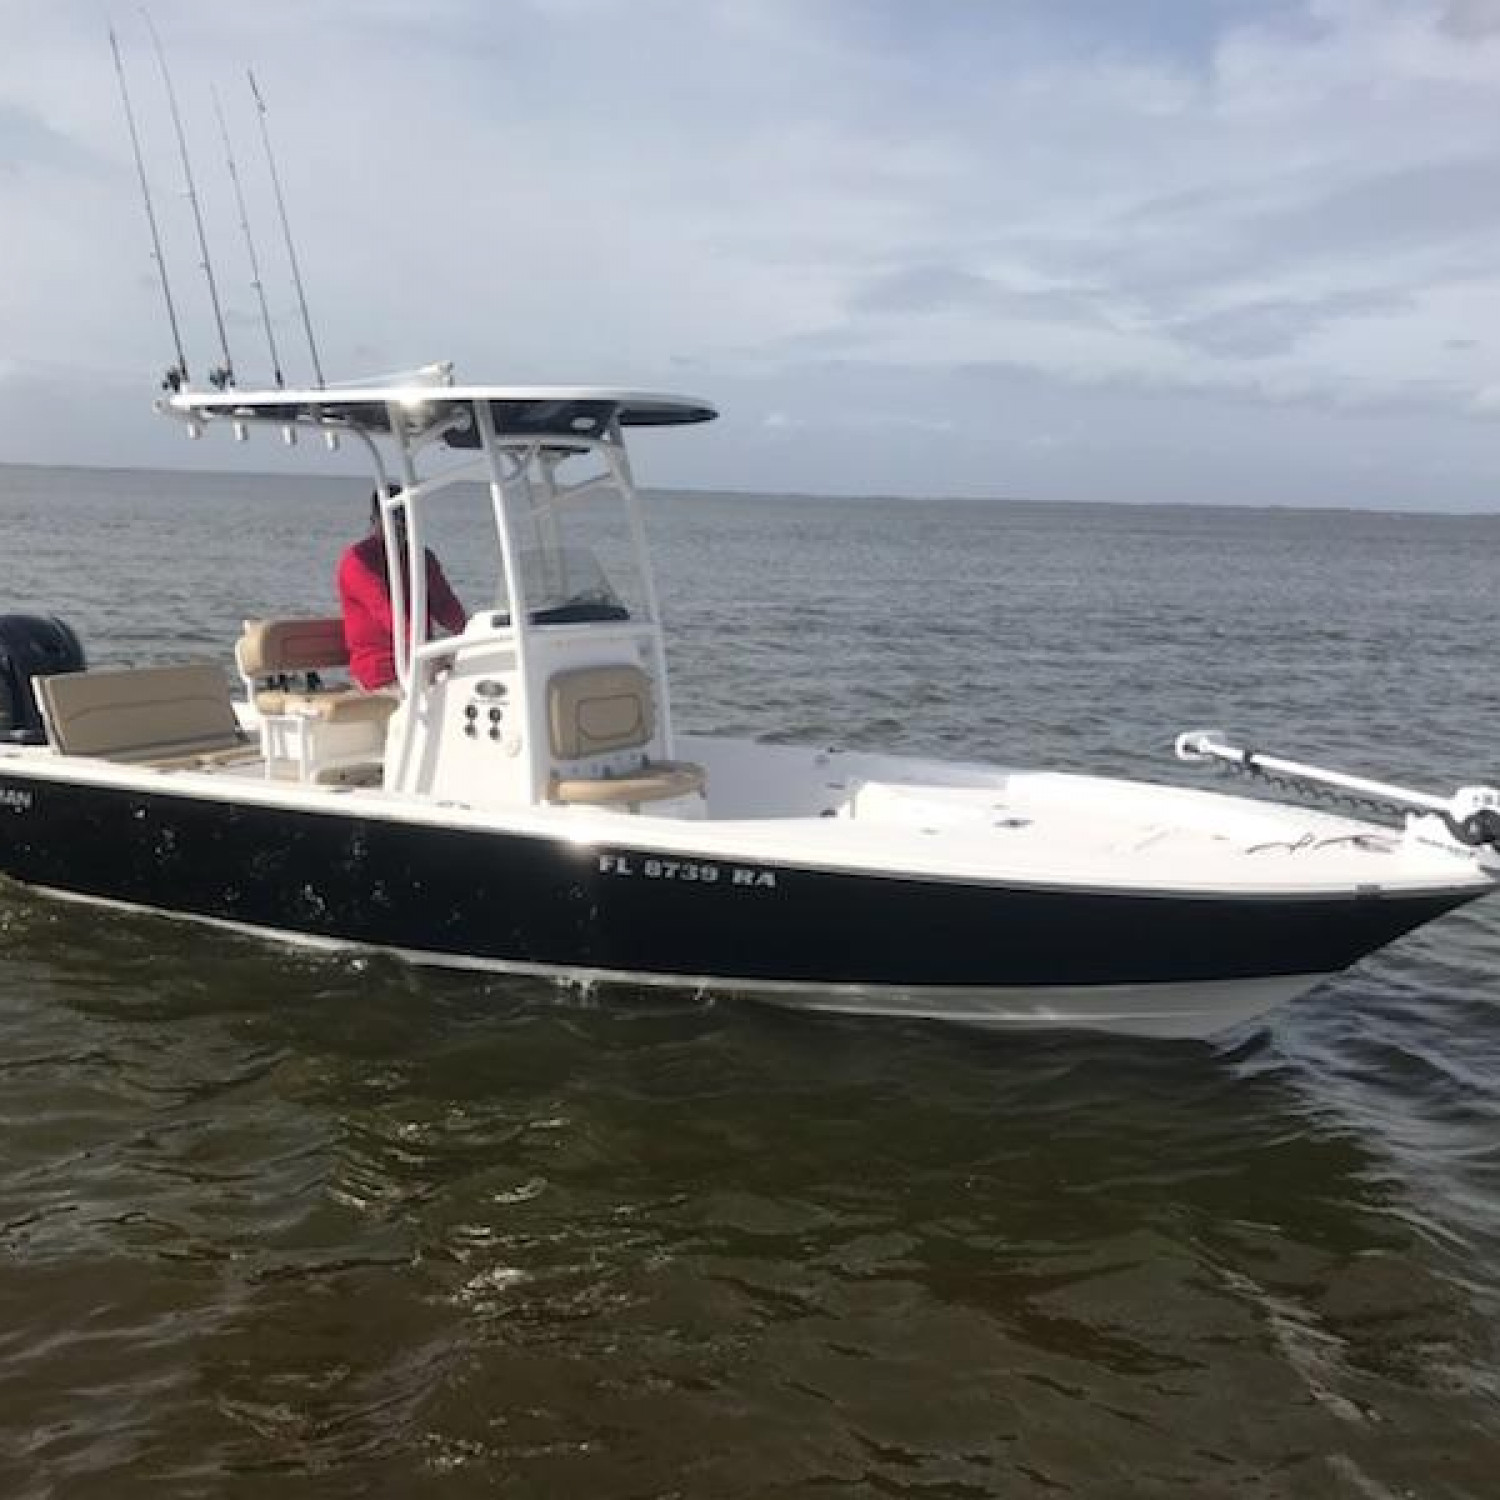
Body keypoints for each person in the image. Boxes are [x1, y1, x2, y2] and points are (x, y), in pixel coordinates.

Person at [337, 485, 467, 690]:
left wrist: (469, 633)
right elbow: (388, 614)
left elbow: (445, 605)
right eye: (393, 518)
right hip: (379, 670)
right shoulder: (358, 562)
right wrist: (427, 651)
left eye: (403, 518)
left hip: (418, 660)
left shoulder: (421, 557)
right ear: (375, 520)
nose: (399, 526)